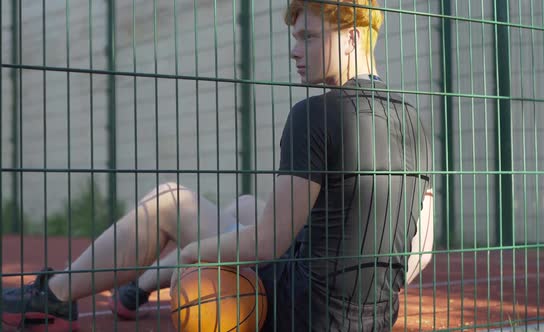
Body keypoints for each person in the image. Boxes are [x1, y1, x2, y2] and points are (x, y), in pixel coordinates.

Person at [2, 0, 434, 331]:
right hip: (371, 315)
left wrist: (191, 256)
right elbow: (422, 249)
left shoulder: (316, 115)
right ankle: (141, 285)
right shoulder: (412, 119)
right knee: (246, 205)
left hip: (302, 313)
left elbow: (267, 243)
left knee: (171, 203)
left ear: (352, 36)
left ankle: (55, 295)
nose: (293, 50)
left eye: (308, 37)